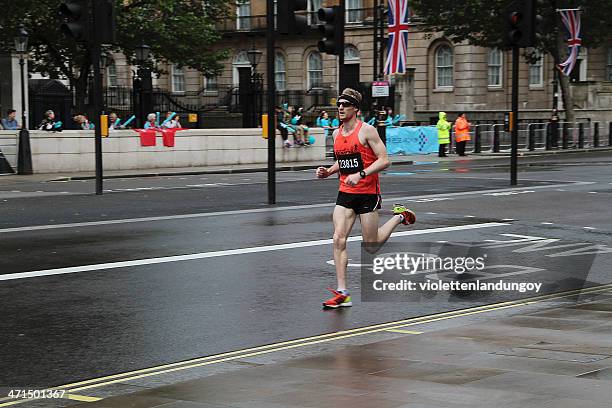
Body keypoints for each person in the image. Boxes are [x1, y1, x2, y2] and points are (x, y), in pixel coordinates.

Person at [315, 88, 416, 309]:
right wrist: (328, 172)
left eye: (345, 104)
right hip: (345, 193)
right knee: (338, 239)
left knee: (371, 245)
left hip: (367, 193)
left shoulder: (367, 131)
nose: (340, 108)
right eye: (339, 104)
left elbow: (385, 160)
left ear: (356, 109)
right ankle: (343, 292)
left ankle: (399, 217)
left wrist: (361, 174)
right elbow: (343, 161)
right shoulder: (336, 134)